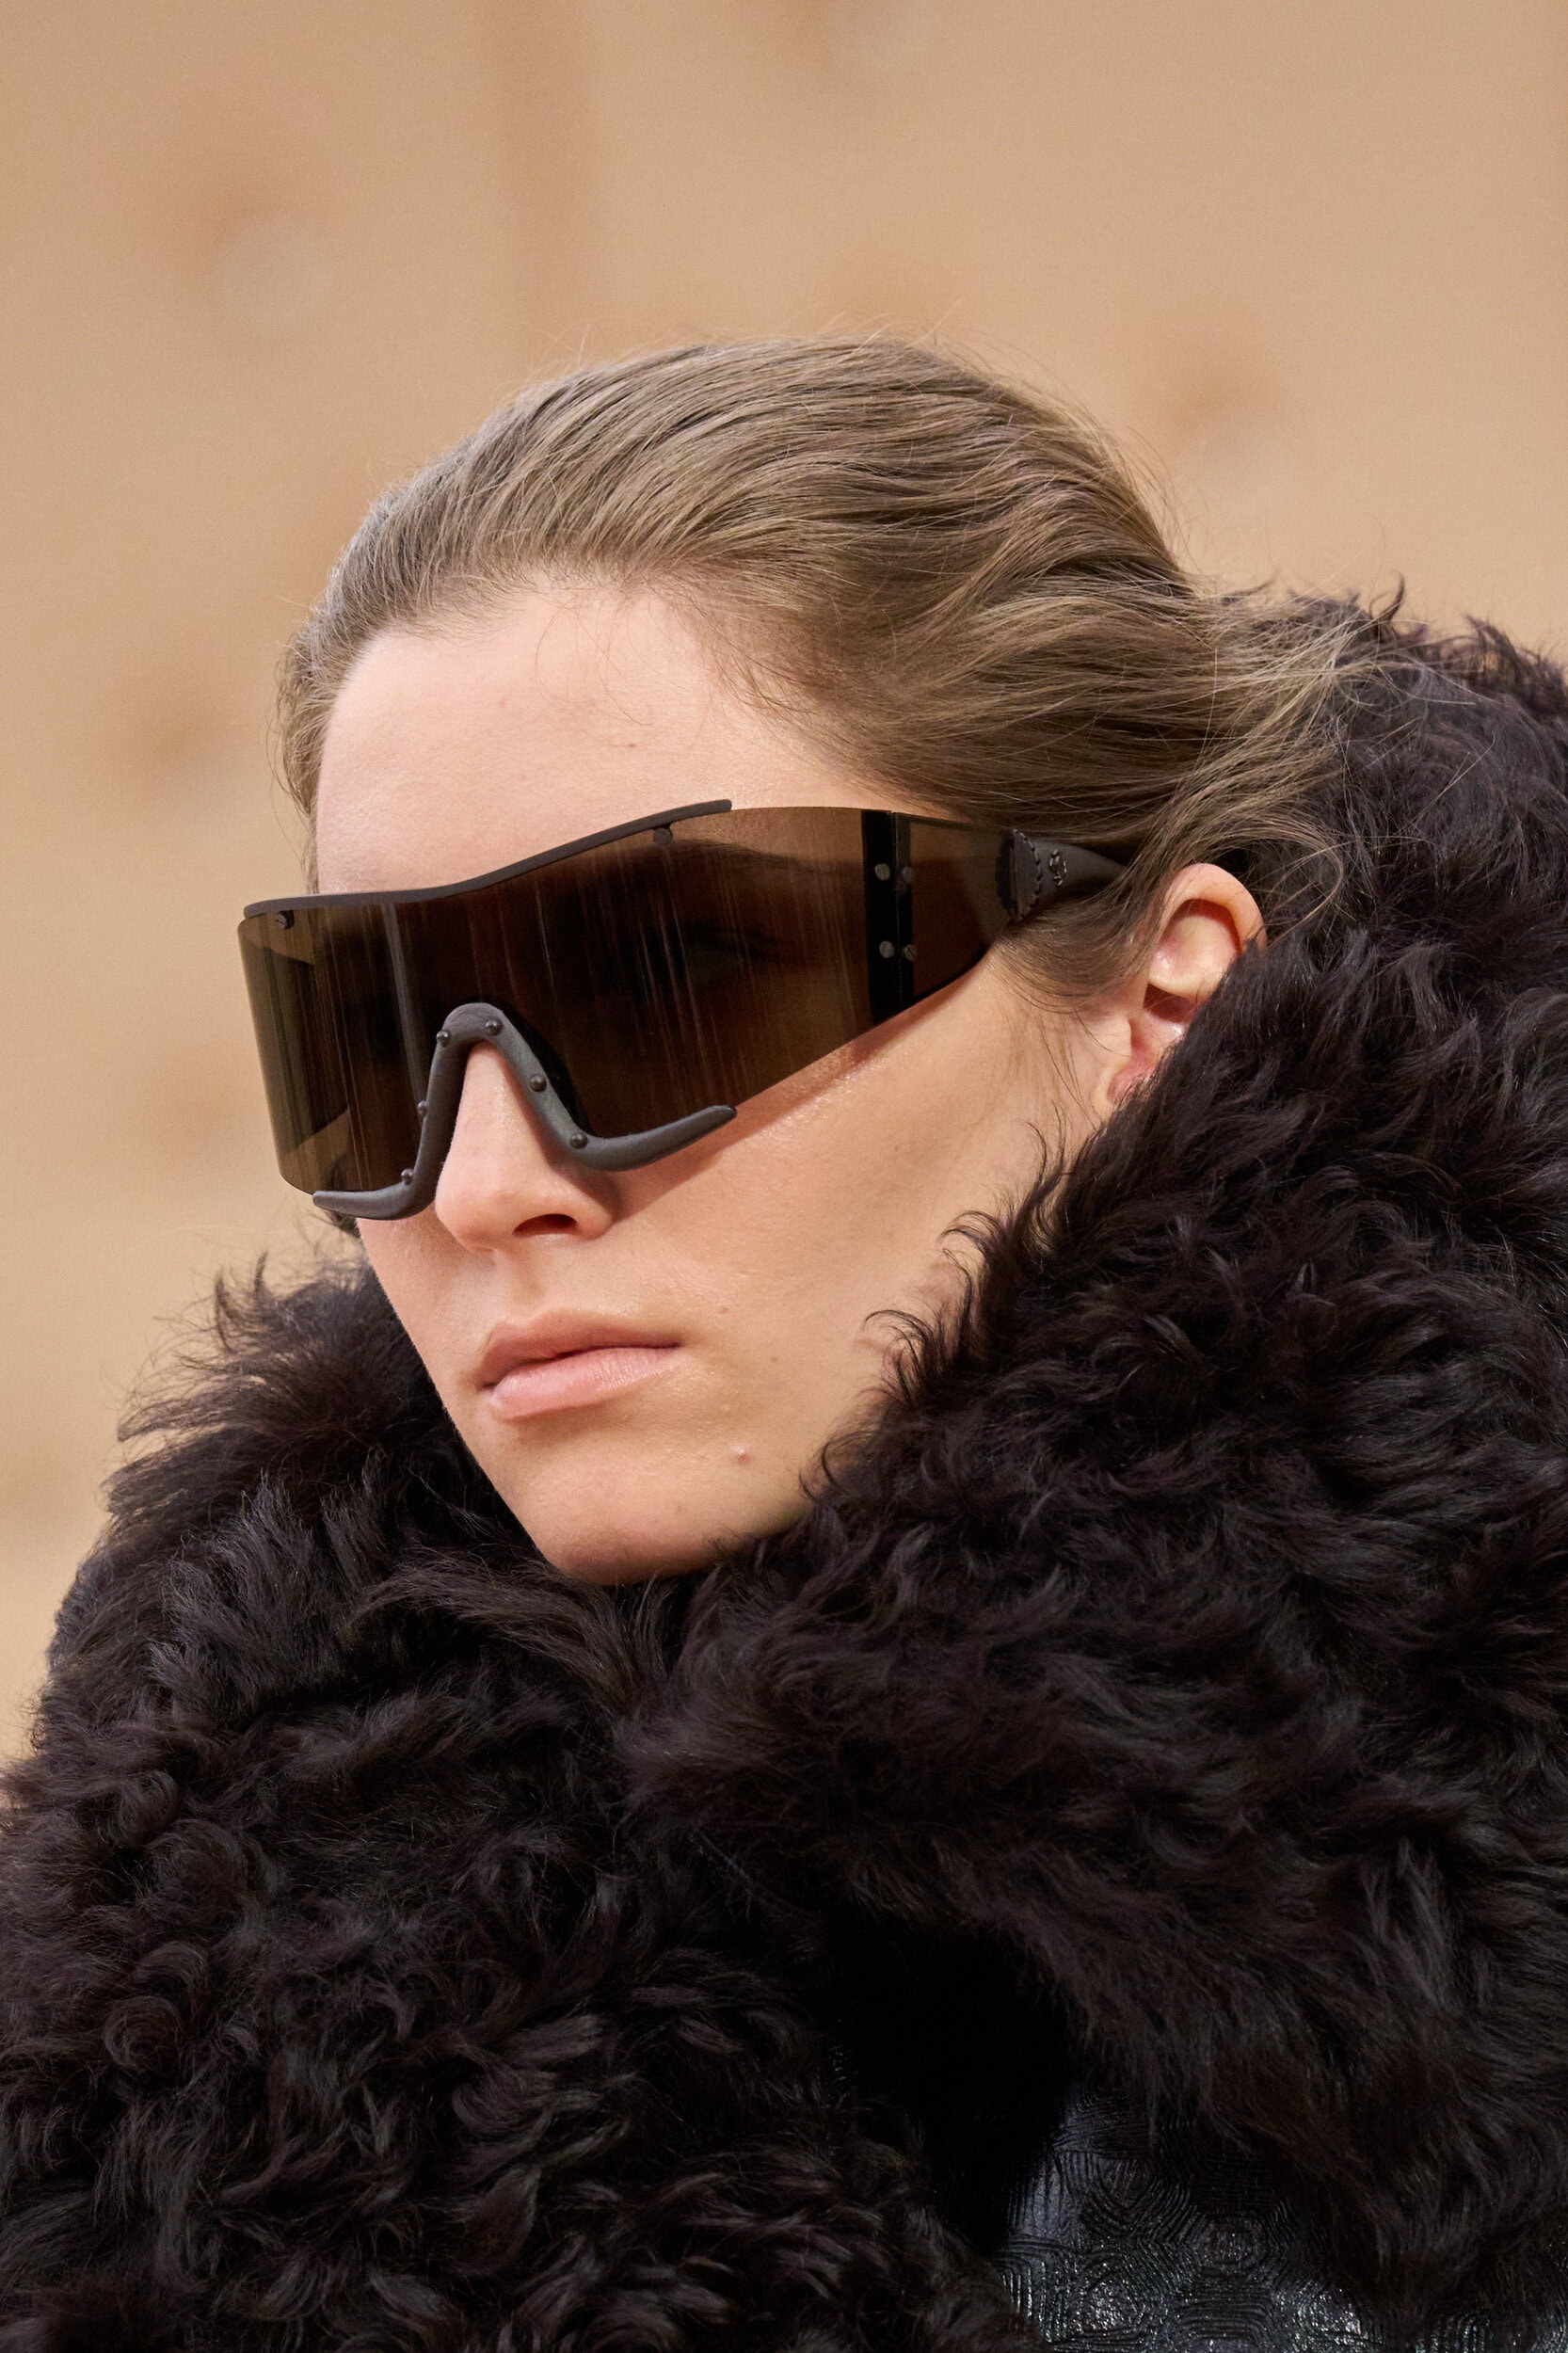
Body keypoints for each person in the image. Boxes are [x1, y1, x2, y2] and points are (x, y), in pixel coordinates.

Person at [4, 339, 1568, 2353]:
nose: (480, 1183)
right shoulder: (222, 1963)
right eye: (373, 1041)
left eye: (663, 985)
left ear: (1158, 1002)